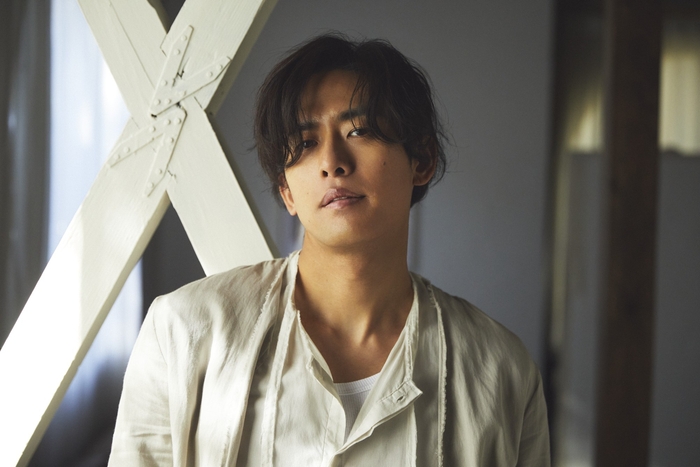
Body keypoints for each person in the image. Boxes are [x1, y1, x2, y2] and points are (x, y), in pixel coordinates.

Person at [108, 33, 550, 466]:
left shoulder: (501, 370)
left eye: (360, 130)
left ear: (422, 160)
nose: (332, 162)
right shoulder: (183, 332)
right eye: (305, 143)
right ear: (286, 191)